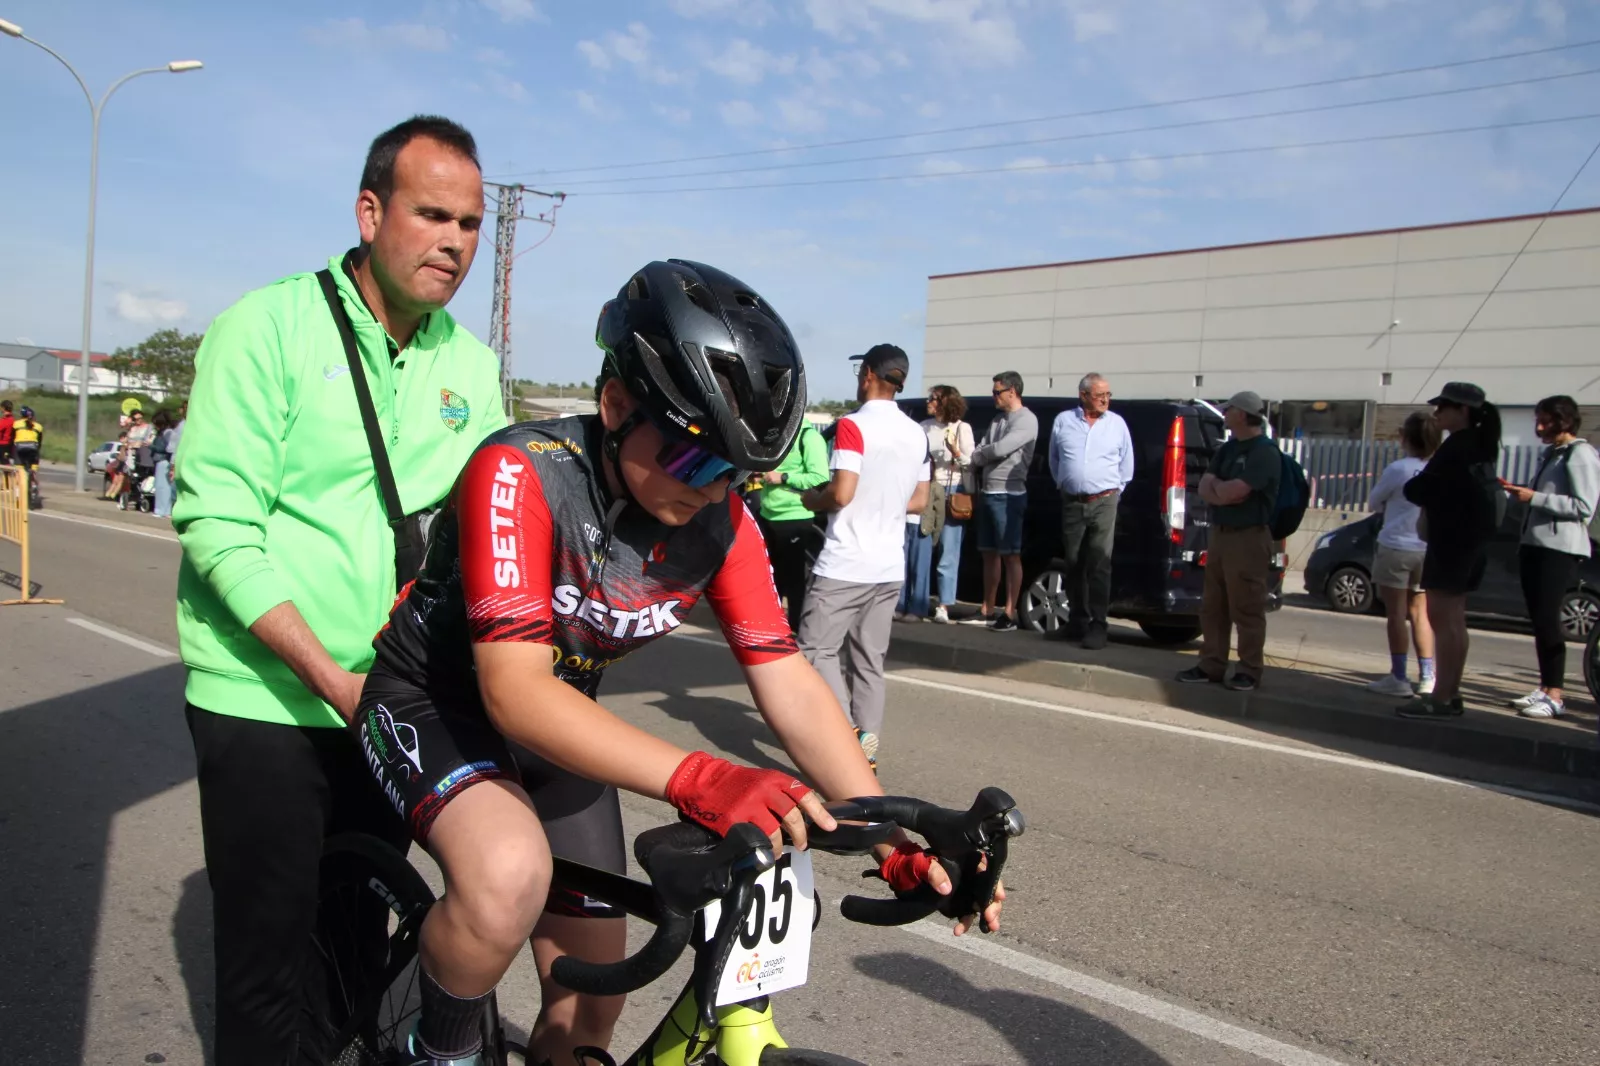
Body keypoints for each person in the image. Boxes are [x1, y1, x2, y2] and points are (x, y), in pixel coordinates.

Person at [353, 271, 993, 1066]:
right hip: (435, 704)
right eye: (697, 463)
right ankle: (432, 1052)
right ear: (618, 407)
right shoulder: (523, 471)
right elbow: (513, 690)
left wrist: (889, 838)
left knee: (593, 1001)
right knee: (505, 878)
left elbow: (785, 676)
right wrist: (705, 779)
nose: (719, 490)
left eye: (741, 474)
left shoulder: (719, 518)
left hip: (556, 726)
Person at [172, 115, 507, 1065]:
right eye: (432, 214)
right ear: (370, 212)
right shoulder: (266, 326)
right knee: (268, 972)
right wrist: (331, 677)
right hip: (266, 696)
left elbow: (474, 535)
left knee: (362, 953)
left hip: (387, 701)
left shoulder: (470, 368)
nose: (454, 241)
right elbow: (218, 527)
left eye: (472, 223)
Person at [798, 344, 931, 768]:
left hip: (845, 562)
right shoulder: (917, 433)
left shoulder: (853, 426)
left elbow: (841, 493)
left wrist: (810, 499)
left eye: (860, 370)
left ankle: (847, 735)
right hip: (889, 564)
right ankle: (866, 752)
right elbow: (919, 500)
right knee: (869, 662)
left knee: (814, 650)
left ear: (869, 373)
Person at [1396, 381, 1502, 719]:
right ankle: (1450, 692)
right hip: (1469, 541)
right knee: (1454, 618)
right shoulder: (1480, 447)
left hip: (1452, 540)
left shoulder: (1458, 447)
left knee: (1442, 617)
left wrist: (1419, 487)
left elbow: (1421, 488)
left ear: (1464, 411)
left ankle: (1441, 696)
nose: (1438, 412)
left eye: (1445, 406)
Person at [1501, 395, 1599, 719]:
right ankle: (1545, 686)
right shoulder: (1553, 453)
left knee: (1548, 620)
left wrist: (1536, 497)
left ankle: (1555, 693)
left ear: (1564, 422)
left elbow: (1584, 507)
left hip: (1558, 548)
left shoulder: (1580, 454)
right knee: (1539, 620)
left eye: (1546, 421)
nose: (1539, 427)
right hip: (1536, 544)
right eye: (1537, 420)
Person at [1176, 391, 1281, 692]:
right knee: (1214, 605)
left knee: (1246, 605)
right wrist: (1222, 491)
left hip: (1249, 536)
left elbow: (1236, 490)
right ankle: (1211, 664)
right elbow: (1207, 486)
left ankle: (1249, 669)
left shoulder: (1264, 452)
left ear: (1244, 413)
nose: (1224, 413)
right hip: (1221, 534)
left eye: (1229, 409)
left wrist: (1221, 490)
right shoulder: (1229, 448)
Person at [1045, 373, 1132, 650]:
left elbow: (1126, 465)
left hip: (1105, 500)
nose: (1105, 400)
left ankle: (1098, 625)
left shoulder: (1117, 424)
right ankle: (1077, 621)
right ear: (1083, 395)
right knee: (1073, 563)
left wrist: (1112, 492)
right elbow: (1054, 459)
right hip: (1072, 501)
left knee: (1099, 563)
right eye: (1099, 395)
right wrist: (1065, 484)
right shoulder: (1064, 421)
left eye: (1108, 394)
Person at [1363, 412, 1441, 698]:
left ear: (1406, 438)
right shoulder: (1439, 468)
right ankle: (1428, 675)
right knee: (1421, 613)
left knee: (1395, 614)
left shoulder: (1398, 469)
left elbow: (1374, 501)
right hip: (1426, 547)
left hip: (1396, 545)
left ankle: (1399, 676)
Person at [965, 371, 1037, 631]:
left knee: (1010, 556)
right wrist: (983, 454)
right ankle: (987, 608)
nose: (993, 396)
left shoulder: (1027, 420)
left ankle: (1009, 613)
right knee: (989, 554)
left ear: (1012, 391)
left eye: (997, 392)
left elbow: (999, 449)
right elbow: (983, 449)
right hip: (987, 493)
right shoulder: (997, 420)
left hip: (1010, 496)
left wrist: (982, 455)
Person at [756, 418, 830, 632]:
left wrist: (785, 477)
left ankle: (796, 629)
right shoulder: (774, 435)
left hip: (796, 516)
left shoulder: (810, 437)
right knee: (771, 576)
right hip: (767, 513)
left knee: (796, 580)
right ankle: (772, 627)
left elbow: (820, 478)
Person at [923, 384, 973, 624]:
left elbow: (970, 464)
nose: (929, 402)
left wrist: (954, 450)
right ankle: (918, 599)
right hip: (928, 489)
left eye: (933, 398)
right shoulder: (923, 427)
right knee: (923, 548)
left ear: (946, 402)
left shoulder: (962, 428)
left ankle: (943, 604)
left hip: (953, 490)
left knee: (948, 551)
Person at [150, 408, 178, 519]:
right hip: (161, 461)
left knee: (163, 486)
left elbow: (166, 448)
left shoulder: (168, 433)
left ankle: (163, 510)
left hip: (164, 461)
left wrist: (151, 445)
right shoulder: (166, 432)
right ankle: (162, 509)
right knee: (161, 486)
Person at [0, 399, 14, 466]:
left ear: (3, 408)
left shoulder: (7, 419)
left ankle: (8, 476)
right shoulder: (12, 419)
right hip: (7, 443)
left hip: (3, 443)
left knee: (5, 462)